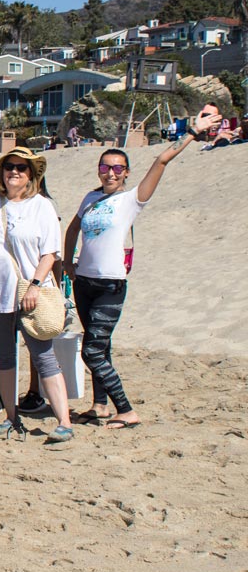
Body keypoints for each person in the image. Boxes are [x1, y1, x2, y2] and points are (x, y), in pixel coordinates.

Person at [63, 105, 222, 429]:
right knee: (101, 346)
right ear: (98, 169)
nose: (111, 172)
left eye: (118, 168)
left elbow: (161, 160)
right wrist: (68, 263)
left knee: (91, 352)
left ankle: (127, 409)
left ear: (126, 173)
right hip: (84, 283)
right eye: (106, 166)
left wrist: (192, 131)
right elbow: (73, 228)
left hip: (111, 285)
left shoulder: (132, 199)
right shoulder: (90, 198)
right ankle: (99, 405)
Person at [0, 147, 72, 444]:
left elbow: (50, 252)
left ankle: (63, 420)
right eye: (9, 167)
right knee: (4, 357)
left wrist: (35, 285)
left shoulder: (42, 207)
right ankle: (12, 417)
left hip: (30, 293)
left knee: (43, 356)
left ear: (31, 175)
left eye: (21, 168)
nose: (14, 172)